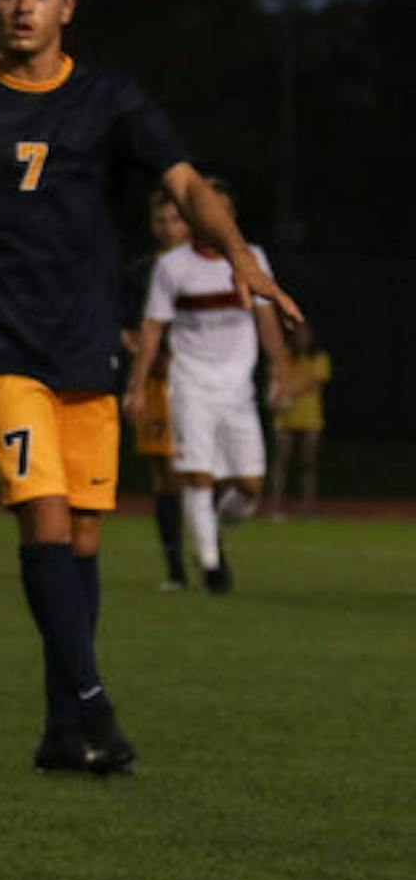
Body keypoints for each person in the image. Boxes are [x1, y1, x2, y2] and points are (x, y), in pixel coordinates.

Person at [0, 0, 300, 776]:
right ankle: (98, 709)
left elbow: (182, 183)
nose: (21, 6)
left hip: (86, 344)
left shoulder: (111, 99)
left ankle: (63, 728)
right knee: (47, 518)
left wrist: (242, 257)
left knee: (87, 541)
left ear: (67, 5)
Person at [123, 179, 291, 591]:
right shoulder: (173, 266)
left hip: (237, 387)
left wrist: (281, 366)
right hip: (191, 383)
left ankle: (210, 530)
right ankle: (211, 564)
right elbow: (153, 327)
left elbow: (266, 317)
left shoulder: (251, 259)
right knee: (197, 476)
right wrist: (138, 384)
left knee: (250, 488)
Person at [121, 188, 193, 589]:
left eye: (176, 220)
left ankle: (210, 549)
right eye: (162, 220)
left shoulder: (205, 265)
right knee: (165, 473)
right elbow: (125, 324)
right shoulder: (139, 272)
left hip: (198, 380)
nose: (168, 228)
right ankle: (176, 567)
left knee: (200, 470)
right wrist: (142, 351)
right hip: (154, 383)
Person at [268, 321, 330, 521]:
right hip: (285, 418)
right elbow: (274, 381)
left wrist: (288, 392)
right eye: (299, 334)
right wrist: (274, 397)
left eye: (306, 334)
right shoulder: (284, 356)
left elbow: (314, 384)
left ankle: (309, 509)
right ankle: (276, 508)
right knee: (281, 462)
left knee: (309, 464)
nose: (302, 338)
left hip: (310, 418)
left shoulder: (319, 358)